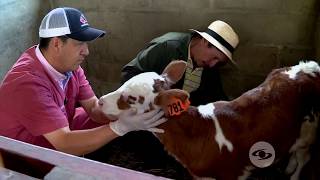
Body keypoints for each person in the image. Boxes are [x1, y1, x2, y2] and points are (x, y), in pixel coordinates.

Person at [0, 7, 166, 156]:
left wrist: (129, 109)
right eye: (80, 43)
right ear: (57, 43)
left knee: (103, 116)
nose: (86, 51)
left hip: (59, 129)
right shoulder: (27, 84)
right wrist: (121, 127)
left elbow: (94, 108)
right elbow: (64, 143)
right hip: (25, 155)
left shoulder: (69, 67)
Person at [122, 20, 239, 106]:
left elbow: (215, 96)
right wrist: (154, 97)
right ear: (205, 41)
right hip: (144, 113)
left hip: (178, 120)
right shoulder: (167, 46)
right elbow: (129, 74)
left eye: (219, 62)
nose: (213, 65)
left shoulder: (209, 67)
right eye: (214, 57)